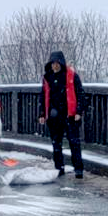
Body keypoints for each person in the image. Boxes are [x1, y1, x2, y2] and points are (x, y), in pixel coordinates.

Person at [37, 51, 86, 179]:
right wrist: (42, 113)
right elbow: (43, 96)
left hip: (69, 115)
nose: (55, 66)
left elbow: (80, 94)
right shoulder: (47, 77)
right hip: (54, 117)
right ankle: (59, 168)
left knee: (74, 143)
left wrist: (78, 111)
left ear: (61, 63)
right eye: (53, 63)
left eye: (57, 63)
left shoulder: (72, 76)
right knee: (56, 144)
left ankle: (78, 169)